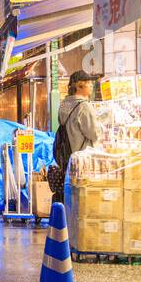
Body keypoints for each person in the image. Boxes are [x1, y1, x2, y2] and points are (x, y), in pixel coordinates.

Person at [49, 70, 101, 201]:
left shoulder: (64, 104)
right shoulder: (84, 106)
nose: (91, 87)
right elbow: (94, 134)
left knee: (71, 196)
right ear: (79, 86)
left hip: (68, 158)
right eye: (89, 84)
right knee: (82, 199)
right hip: (82, 160)